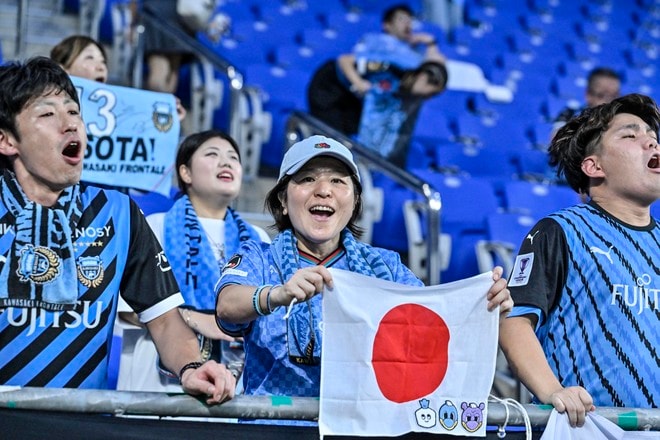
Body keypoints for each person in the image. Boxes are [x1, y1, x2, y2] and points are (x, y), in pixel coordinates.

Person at [215, 134, 513, 422]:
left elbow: (430, 327)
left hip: (366, 428)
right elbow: (227, 306)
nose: (323, 190)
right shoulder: (259, 257)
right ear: (282, 199)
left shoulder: (386, 266)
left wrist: (483, 307)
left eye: (338, 181)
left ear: (356, 201)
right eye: (307, 179)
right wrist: (277, 294)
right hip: (277, 429)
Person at [0, 56, 235, 403]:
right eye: (48, 114)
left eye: (74, 112)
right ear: (7, 141)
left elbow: (165, 319)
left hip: (79, 422)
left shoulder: (119, 213)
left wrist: (191, 366)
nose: (70, 125)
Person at [499, 93, 659, 428]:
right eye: (631, 135)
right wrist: (552, 390)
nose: (650, 143)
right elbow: (514, 321)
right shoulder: (559, 231)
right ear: (594, 166)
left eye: (653, 137)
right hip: (588, 426)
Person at [116, 129, 270, 392]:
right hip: (160, 385)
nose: (226, 162)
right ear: (185, 172)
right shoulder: (155, 226)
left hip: (236, 383)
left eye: (234, 157)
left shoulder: (258, 238)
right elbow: (127, 308)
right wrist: (194, 318)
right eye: (212, 154)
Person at [307, 3, 445, 137]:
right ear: (387, 25)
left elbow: (438, 69)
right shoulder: (377, 42)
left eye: (410, 20)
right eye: (402, 19)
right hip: (332, 85)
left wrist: (430, 42)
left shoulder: (410, 53)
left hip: (357, 98)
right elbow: (345, 61)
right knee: (331, 138)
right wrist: (359, 83)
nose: (407, 24)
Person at [552, 66, 621, 133]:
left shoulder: (624, 117)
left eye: (614, 95)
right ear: (588, 95)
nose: (609, 101)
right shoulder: (569, 114)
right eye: (602, 95)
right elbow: (557, 139)